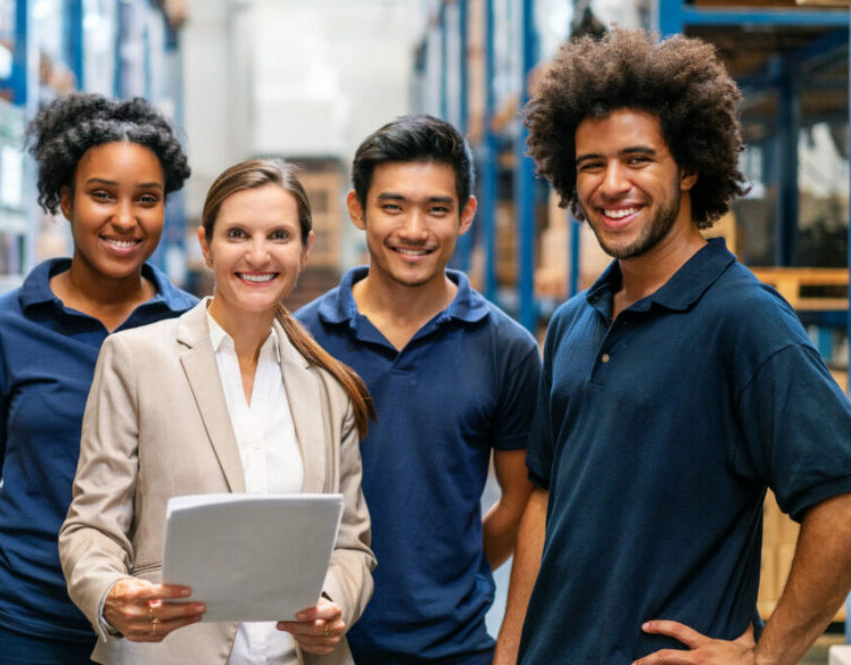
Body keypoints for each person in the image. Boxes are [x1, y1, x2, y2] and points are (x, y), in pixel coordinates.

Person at [494, 28, 851, 665]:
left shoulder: (746, 321)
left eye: (637, 159)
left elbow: (841, 503)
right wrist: (510, 653)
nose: (611, 184)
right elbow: (543, 499)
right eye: (590, 165)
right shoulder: (575, 322)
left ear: (688, 167)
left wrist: (765, 658)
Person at [57, 158, 376, 665]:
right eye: (237, 234)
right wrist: (111, 595)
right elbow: (91, 527)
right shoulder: (135, 359)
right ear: (206, 245)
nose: (257, 254)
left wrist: (333, 603)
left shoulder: (327, 387)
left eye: (278, 235)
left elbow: (351, 546)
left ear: (304, 248)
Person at [0, 93, 198, 665]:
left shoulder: (195, 330)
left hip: (161, 629)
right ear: (64, 200)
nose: (125, 219)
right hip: (24, 624)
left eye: (146, 200)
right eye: (102, 196)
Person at [295, 115, 540, 665]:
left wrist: (454, 568)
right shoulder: (302, 341)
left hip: (454, 650)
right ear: (357, 209)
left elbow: (522, 503)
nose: (414, 230)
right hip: (319, 646)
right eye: (393, 206)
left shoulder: (507, 350)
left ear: (466, 215)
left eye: (436, 208)